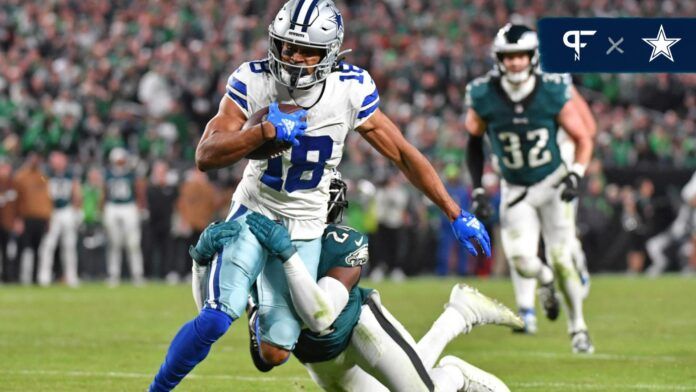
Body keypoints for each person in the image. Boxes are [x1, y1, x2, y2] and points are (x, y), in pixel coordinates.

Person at [149, 1, 490, 390]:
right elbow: (205, 155)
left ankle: (257, 299)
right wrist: (259, 134)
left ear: (330, 53)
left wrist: (453, 211)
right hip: (254, 209)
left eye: (305, 50)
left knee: (275, 352)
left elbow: (402, 153)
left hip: (306, 226)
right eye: (286, 47)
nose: (292, 58)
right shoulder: (254, 79)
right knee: (214, 318)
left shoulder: (350, 88)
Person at [191, 175, 520, 392]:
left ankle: (456, 369)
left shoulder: (341, 242)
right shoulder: (259, 245)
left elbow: (321, 317)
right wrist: (201, 264)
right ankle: (459, 313)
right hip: (319, 360)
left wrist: (288, 256)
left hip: (358, 330)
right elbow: (212, 316)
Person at [465, 24, 595, 353]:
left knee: (562, 256)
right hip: (515, 187)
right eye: (509, 57)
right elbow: (473, 144)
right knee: (522, 260)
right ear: (499, 59)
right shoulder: (483, 93)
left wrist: (576, 174)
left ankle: (578, 327)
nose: (515, 63)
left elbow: (583, 137)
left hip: (552, 182)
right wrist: (478, 188)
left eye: (521, 56)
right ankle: (545, 281)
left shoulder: (553, 88)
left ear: (533, 57)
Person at [38, 151, 82, 287]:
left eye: (60, 160)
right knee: (48, 245)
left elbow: (77, 193)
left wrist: (77, 210)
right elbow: (41, 191)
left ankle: (71, 276)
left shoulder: (71, 175)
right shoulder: (45, 175)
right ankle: (44, 276)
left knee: (69, 245)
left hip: (66, 210)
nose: (58, 163)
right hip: (52, 212)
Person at [103, 147, 146, 287]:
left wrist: (141, 206)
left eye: (122, 161)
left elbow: (139, 190)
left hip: (128, 206)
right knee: (114, 243)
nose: (120, 163)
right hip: (113, 206)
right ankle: (114, 274)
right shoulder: (108, 175)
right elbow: (104, 192)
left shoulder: (131, 175)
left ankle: (137, 274)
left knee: (133, 243)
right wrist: (102, 207)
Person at [645, 171, 696, 276]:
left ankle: (690, 269)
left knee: (687, 249)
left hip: (685, 237)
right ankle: (660, 265)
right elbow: (688, 196)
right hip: (677, 234)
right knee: (653, 246)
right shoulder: (686, 209)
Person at [14, 153, 52, 284]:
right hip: (27, 217)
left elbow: (48, 196)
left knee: (38, 250)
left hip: (41, 217)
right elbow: (17, 198)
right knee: (24, 249)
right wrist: (18, 218)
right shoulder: (21, 176)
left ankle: (35, 278)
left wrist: (48, 218)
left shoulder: (42, 177)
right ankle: (19, 277)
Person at [0, 158, 19, 283]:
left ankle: (8, 276)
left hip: (8, 223)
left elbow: (19, 205)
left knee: (9, 251)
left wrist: (18, 220)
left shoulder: (14, 184)